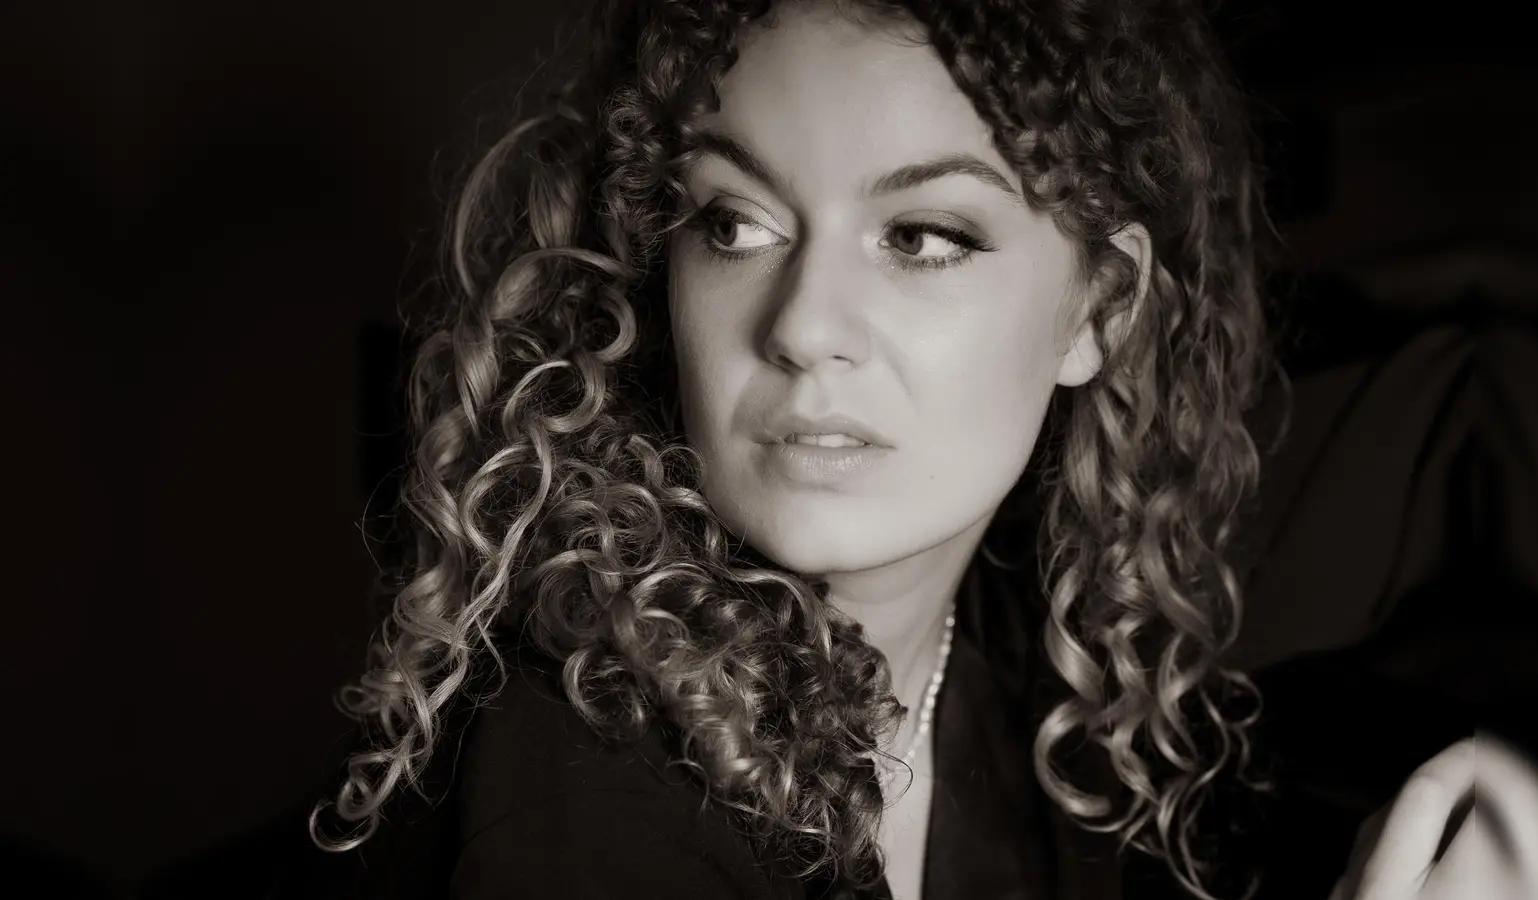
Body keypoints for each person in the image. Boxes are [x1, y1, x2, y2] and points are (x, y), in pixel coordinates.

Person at [302, 1, 1430, 898]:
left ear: (1102, 308)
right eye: (734, 224)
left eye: (922, 237)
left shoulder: (1031, 679)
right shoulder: (582, 777)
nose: (800, 325)